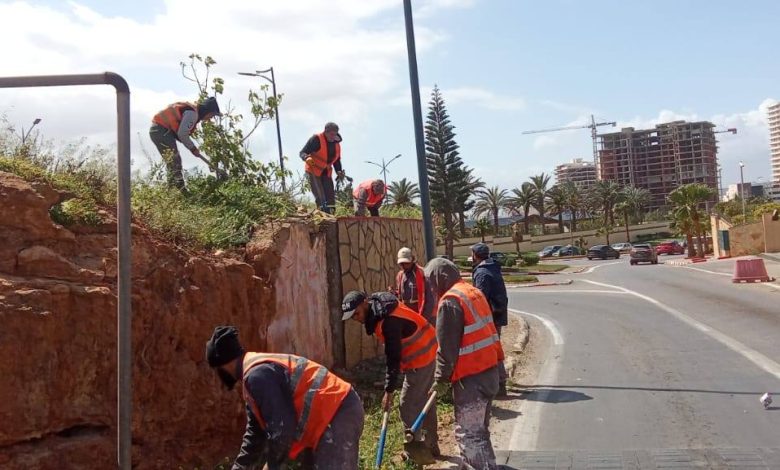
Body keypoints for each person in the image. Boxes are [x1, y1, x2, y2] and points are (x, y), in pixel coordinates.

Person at [205, 326, 364, 470]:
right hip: (330, 416)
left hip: (338, 412)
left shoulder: (257, 376)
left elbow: (282, 429)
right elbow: (255, 434)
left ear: (223, 364)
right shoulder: (254, 375)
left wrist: (272, 464)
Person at [424, 258, 504, 470]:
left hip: (471, 379)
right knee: (479, 432)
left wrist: (441, 379)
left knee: (469, 434)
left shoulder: (450, 302)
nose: (430, 288)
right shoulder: (473, 292)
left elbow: (447, 348)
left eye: (431, 282)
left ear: (440, 279)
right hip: (489, 372)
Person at [341, 291, 440, 459]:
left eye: (356, 313)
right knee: (425, 399)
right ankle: (431, 445)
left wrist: (389, 391)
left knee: (407, 404)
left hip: (422, 357)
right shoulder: (381, 307)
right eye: (352, 317)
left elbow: (393, 358)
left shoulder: (388, 321)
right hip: (429, 348)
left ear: (365, 302)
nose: (356, 319)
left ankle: (415, 452)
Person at [150, 97, 221, 190]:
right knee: (174, 161)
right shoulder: (192, 114)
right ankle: (179, 190)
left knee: (173, 161)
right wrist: (193, 148)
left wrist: (192, 148)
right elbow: (182, 134)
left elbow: (182, 133)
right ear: (207, 111)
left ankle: (173, 189)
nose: (210, 118)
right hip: (161, 131)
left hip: (159, 130)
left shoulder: (192, 112)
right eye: (211, 115)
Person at [470, 242, 509, 397]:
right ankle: (499, 382)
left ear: (476, 255)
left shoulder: (482, 273)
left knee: (491, 349)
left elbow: (480, 297)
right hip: (497, 314)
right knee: (494, 347)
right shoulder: (492, 267)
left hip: (490, 317)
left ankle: (499, 383)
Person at [300, 122, 345, 214]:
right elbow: (302, 152)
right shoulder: (316, 139)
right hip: (313, 170)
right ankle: (323, 215)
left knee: (330, 196)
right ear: (326, 132)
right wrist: (306, 157)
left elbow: (336, 160)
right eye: (331, 134)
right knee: (320, 196)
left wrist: (339, 171)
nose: (333, 137)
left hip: (326, 172)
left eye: (335, 134)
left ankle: (331, 215)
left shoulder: (336, 144)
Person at [394, 247, 435, 324]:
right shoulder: (400, 276)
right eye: (401, 264)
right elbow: (400, 295)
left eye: (406, 263)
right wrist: (394, 294)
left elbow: (430, 300)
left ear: (412, 260)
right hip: (406, 317)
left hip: (421, 316)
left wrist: (423, 319)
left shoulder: (422, 274)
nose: (404, 266)